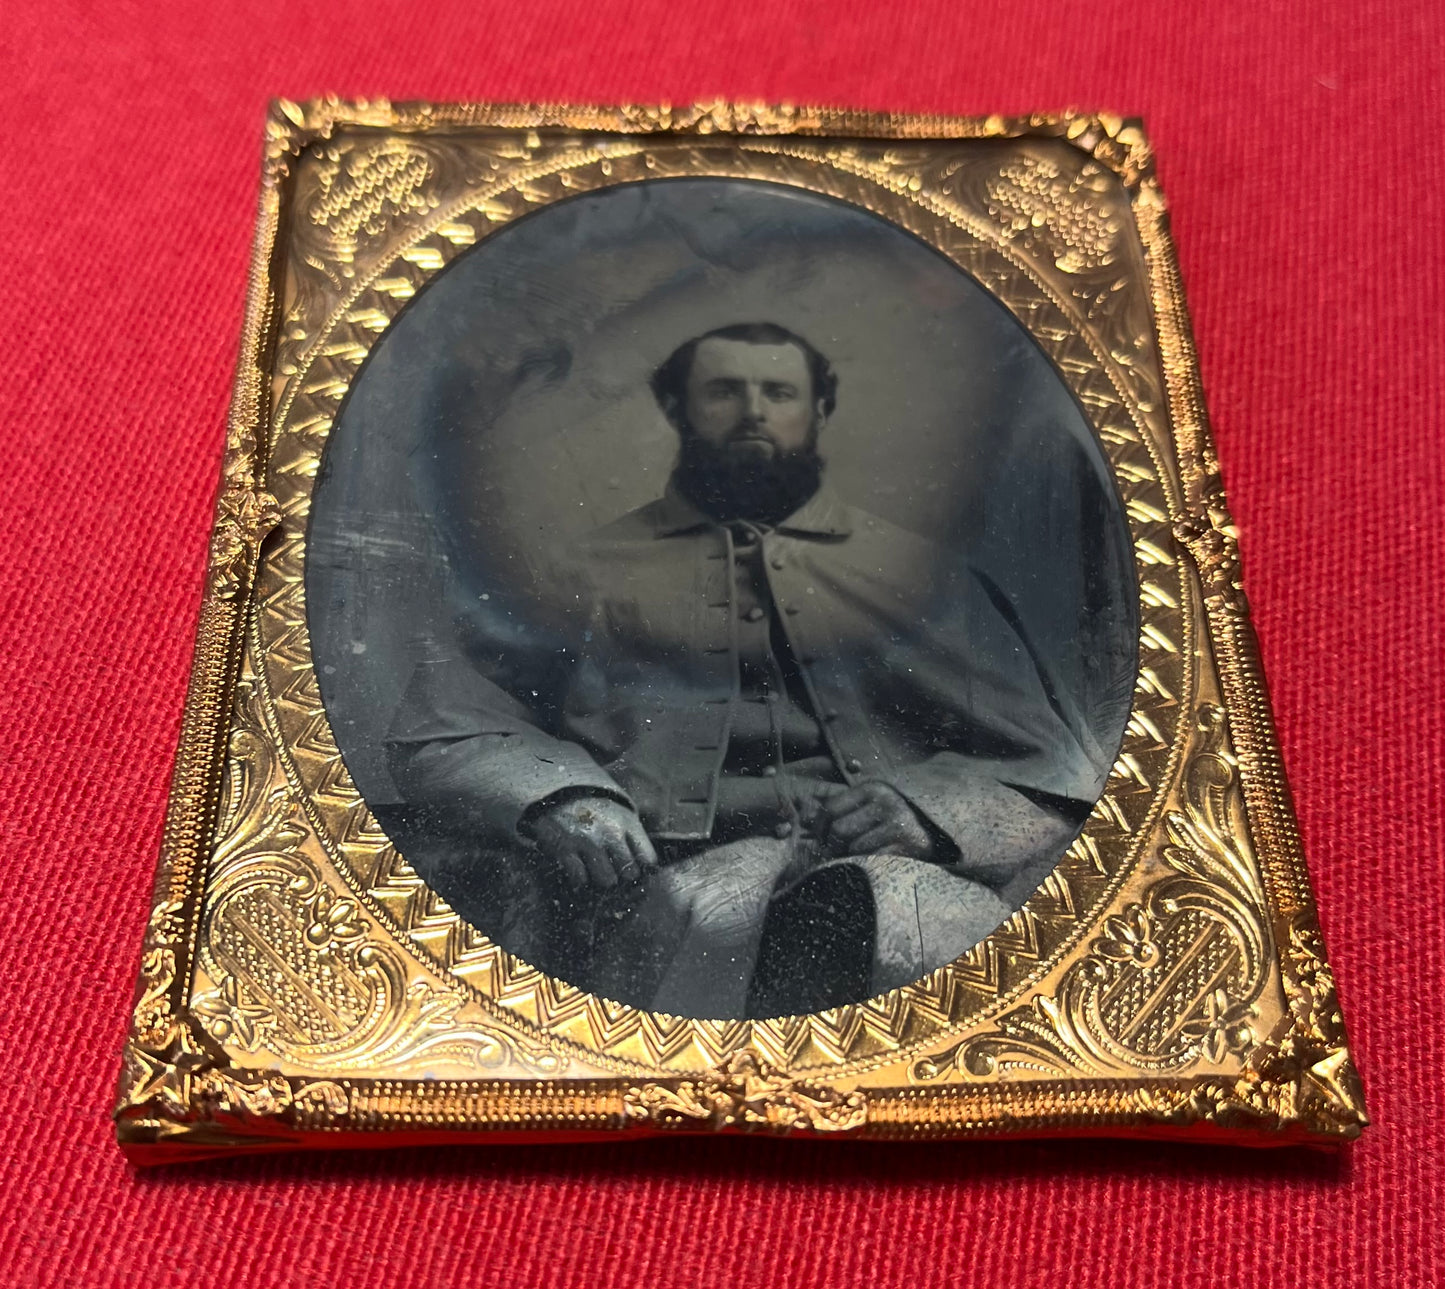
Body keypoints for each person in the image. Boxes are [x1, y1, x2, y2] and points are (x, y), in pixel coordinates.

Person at [385, 322, 1112, 1018]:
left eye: (779, 392)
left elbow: (1052, 759)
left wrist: (928, 811)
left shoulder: (919, 575)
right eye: (723, 391)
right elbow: (449, 719)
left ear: (819, 407)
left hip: (886, 884)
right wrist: (557, 796)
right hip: (657, 889)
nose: (753, 411)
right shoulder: (581, 570)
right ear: (675, 405)